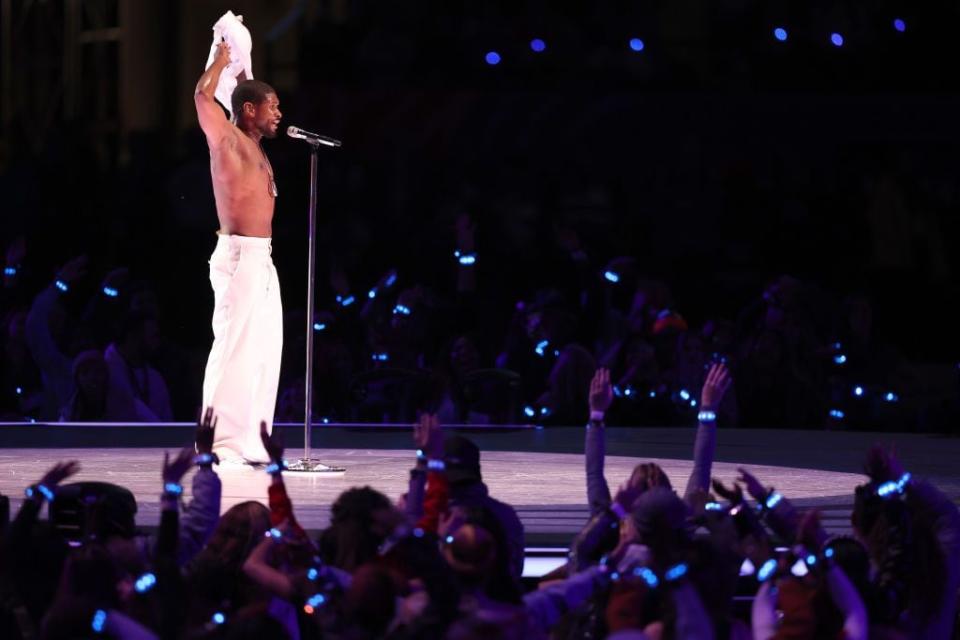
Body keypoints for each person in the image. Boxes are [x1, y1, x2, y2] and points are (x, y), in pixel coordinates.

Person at [194, 38, 284, 462]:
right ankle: (214, 439)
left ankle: (251, 439)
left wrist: (245, 68)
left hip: (262, 258)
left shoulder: (254, 143)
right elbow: (201, 96)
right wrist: (220, 61)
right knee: (232, 345)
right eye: (273, 106)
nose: (279, 114)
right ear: (250, 110)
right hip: (238, 255)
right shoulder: (227, 141)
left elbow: (246, 92)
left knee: (265, 347)